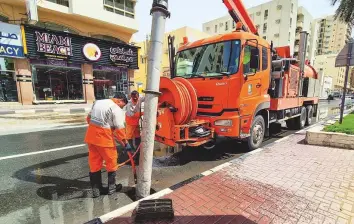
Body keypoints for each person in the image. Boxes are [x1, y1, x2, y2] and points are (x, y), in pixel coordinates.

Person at [84, 92, 128, 198]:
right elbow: (120, 129)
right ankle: (112, 189)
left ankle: (96, 190)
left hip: (91, 137)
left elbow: (88, 119)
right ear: (120, 100)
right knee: (111, 162)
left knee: (94, 163)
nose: (122, 108)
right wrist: (125, 143)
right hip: (104, 140)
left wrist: (105, 126)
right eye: (123, 105)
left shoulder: (98, 102)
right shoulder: (116, 108)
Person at [125, 91, 144, 163]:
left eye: (137, 97)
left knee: (137, 136)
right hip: (130, 123)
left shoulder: (140, 99)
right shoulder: (129, 104)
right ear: (131, 97)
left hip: (136, 123)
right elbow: (132, 115)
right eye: (134, 98)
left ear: (138, 96)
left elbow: (147, 98)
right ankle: (130, 152)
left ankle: (138, 151)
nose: (135, 99)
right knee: (129, 137)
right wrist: (143, 113)